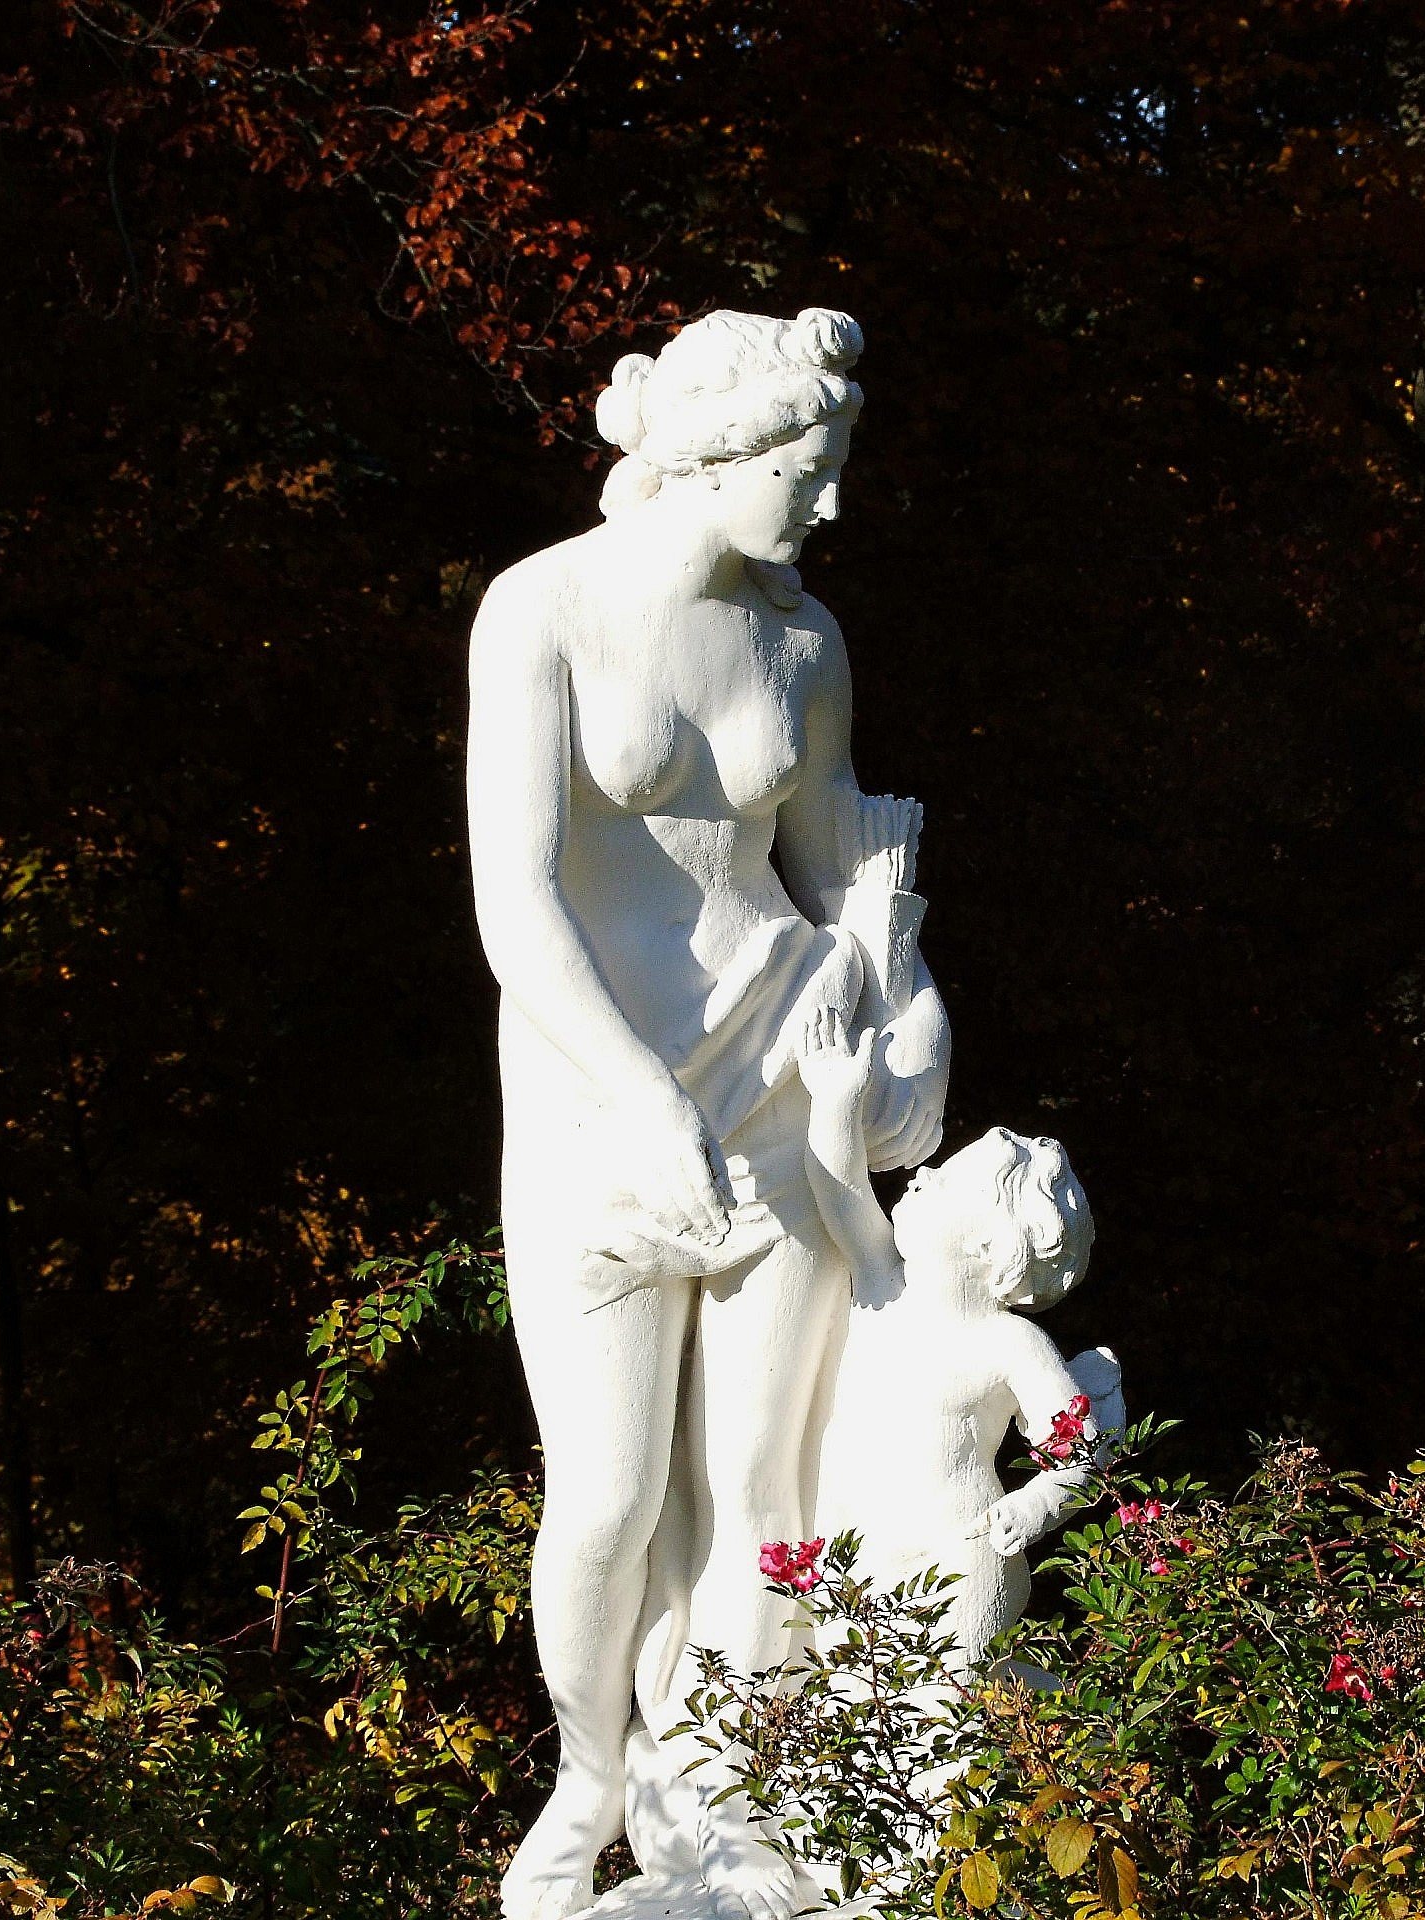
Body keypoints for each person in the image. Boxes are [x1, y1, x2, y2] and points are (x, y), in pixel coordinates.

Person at [466, 307, 948, 1920]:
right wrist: (635, 1097)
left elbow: (834, 868)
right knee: (603, 1497)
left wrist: (891, 993)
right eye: (807, 475)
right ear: (718, 455)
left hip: (772, 1078)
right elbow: (516, 908)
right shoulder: (541, 612)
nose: (827, 509)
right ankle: (591, 1771)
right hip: (600, 1108)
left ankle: (727, 1798)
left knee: (766, 1488)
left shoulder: (805, 645)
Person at [795, 1001, 1121, 1672]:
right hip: (854, 1548)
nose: (919, 1176)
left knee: (949, 1704)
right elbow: (841, 1192)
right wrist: (834, 1099)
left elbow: (1081, 1453)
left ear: (987, 1241)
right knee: (854, 1709)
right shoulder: (883, 1280)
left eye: (942, 1181)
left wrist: (1038, 1503)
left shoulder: (1009, 1343)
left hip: (963, 1552)